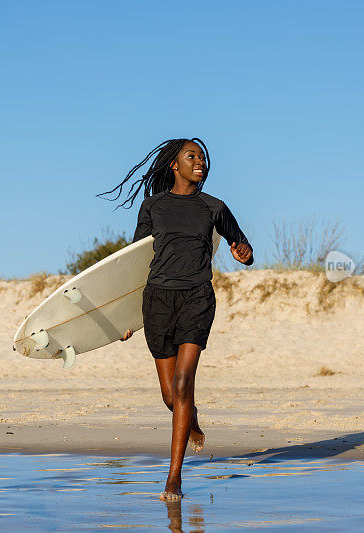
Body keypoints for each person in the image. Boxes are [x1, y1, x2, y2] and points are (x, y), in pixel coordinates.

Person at [98, 138, 253, 501]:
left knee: (183, 383)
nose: (199, 162)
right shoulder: (153, 206)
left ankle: (174, 477)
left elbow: (243, 247)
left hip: (197, 298)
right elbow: (134, 266)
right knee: (171, 396)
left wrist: (243, 253)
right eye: (192, 156)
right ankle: (192, 419)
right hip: (158, 302)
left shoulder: (214, 207)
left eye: (202, 157)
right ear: (174, 165)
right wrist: (126, 317)